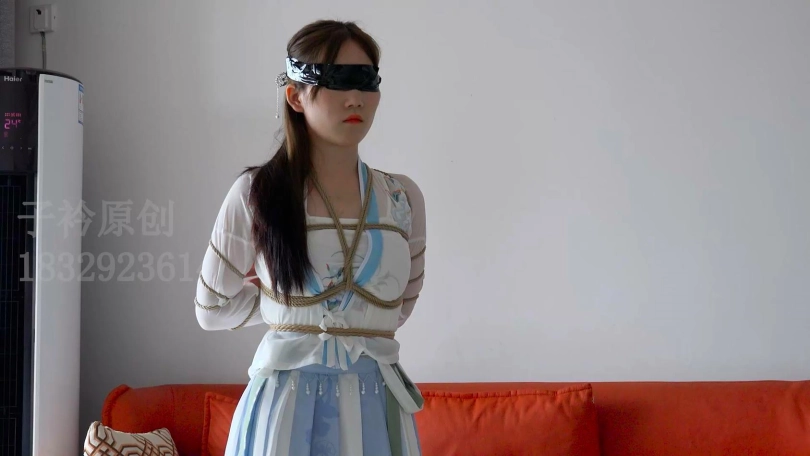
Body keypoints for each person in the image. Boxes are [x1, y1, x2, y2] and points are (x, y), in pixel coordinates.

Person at [194, 19, 426, 456]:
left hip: (377, 408)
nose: (355, 97)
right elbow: (211, 308)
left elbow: (398, 307)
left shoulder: (403, 199)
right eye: (336, 80)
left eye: (366, 80)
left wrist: (292, 302)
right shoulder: (256, 194)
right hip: (283, 412)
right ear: (295, 95)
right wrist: (284, 304)